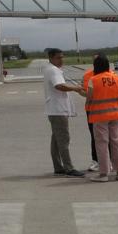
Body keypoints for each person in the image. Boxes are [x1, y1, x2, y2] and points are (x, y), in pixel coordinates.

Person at [79, 54, 118, 182]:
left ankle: (104, 173)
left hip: (100, 116)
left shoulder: (93, 80)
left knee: (102, 144)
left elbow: (89, 97)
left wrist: (79, 91)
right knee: (116, 142)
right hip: (115, 114)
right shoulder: (115, 77)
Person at [42, 48, 85, 177]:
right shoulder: (54, 70)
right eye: (58, 58)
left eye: (62, 57)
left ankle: (58, 167)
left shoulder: (50, 69)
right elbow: (59, 86)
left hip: (55, 109)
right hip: (58, 111)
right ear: (51, 58)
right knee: (63, 140)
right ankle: (68, 168)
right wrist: (76, 88)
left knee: (56, 140)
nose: (61, 60)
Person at [81, 67, 98, 172]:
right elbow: (84, 92)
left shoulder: (111, 75)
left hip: (104, 109)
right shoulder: (87, 75)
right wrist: (81, 91)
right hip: (91, 109)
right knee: (94, 135)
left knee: (109, 137)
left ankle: (109, 161)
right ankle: (96, 160)